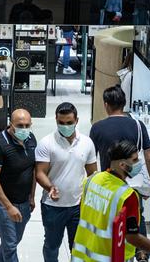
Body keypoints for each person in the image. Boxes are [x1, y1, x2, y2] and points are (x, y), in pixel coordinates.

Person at [72, 141, 150, 262]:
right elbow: (133, 237)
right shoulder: (127, 196)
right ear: (123, 165)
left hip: (81, 256)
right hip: (110, 257)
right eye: (135, 160)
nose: (138, 164)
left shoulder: (91, 180)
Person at [89, 85, 150, 262]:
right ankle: (141, 255)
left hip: (109, 185)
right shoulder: (137, 125)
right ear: (124, 103)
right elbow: (149, 158)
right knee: (136, 218)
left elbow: (90, 160)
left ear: (106, 104)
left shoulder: (97, 128)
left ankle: (113, 254)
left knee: (111, 220)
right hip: (133, 185)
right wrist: (146, 186)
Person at [35, 103, 97, 262]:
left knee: (77, 247)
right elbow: (40, 172)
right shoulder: (46, 143)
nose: (65, 126)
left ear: (76, 120)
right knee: (51, 245)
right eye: (61, 123)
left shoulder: (87, 142)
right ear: (56, 120)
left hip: (78, 206)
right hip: (52, 206)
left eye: (69, 122)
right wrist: (50, 187)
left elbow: (92, 175)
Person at [0, 109, 37, 262]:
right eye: (20, 125)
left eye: (27, 125)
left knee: (14, 241)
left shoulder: (31, 139)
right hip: (2, 205)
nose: (24, 128)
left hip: (24, 203)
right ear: (11, 124)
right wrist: (8, 207)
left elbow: (32, 170)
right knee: (10, 246)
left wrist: (32, 196)